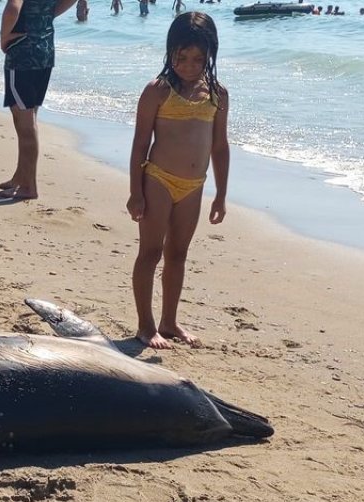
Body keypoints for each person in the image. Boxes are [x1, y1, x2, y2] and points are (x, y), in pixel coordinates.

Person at [127, 11, 228, 348]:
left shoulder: (217, 94)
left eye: (198, 59)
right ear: (170, 52)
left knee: (178, 254)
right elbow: (141, 143)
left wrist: (221, 195)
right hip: (157, 179)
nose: (189, 65)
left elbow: (219, 146)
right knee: (151, 252)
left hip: (194, 187)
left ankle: (170, 321)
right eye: (181, 57)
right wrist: (135, 192)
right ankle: (146, 325)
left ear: (210, 56)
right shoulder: (157, 91)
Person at [0, 0, 79, 200]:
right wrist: (46, 15)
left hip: (23, 54)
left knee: (26, 123)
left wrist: (4, 37)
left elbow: (11, 9)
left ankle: (29, 186)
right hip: (45, 50)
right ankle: (20, 176)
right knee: (25, 116)